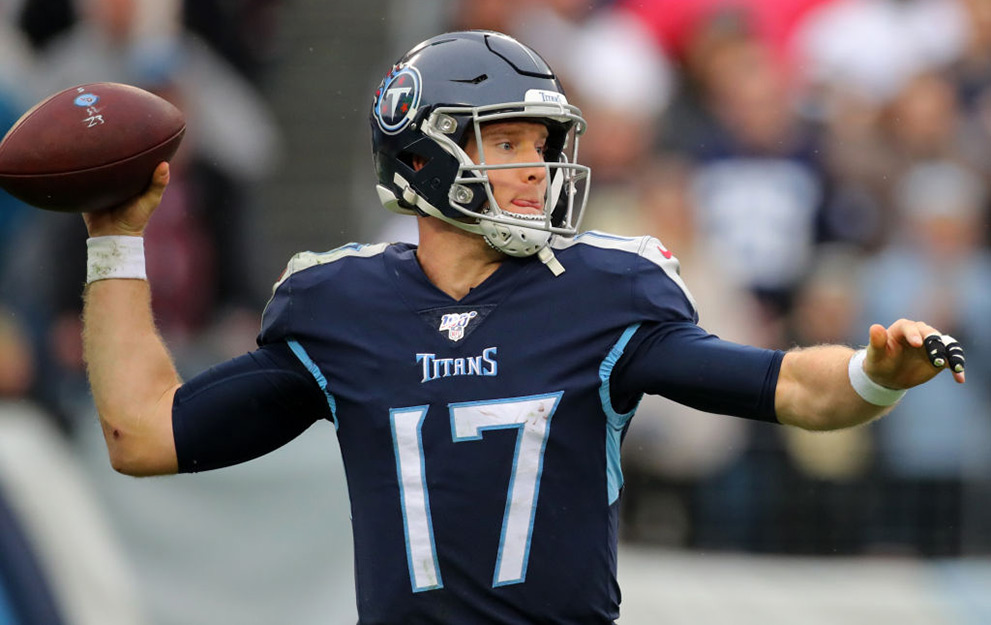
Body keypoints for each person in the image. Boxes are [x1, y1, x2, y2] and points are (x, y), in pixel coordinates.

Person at [79, 31, 967, 624]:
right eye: (505, 141)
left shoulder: (604, 292)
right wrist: (117, 242)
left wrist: (871, 373)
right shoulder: (339, 307)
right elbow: (144, 432)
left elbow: (787, 388)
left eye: (542, 144)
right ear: (421, 152)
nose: (535, 168)